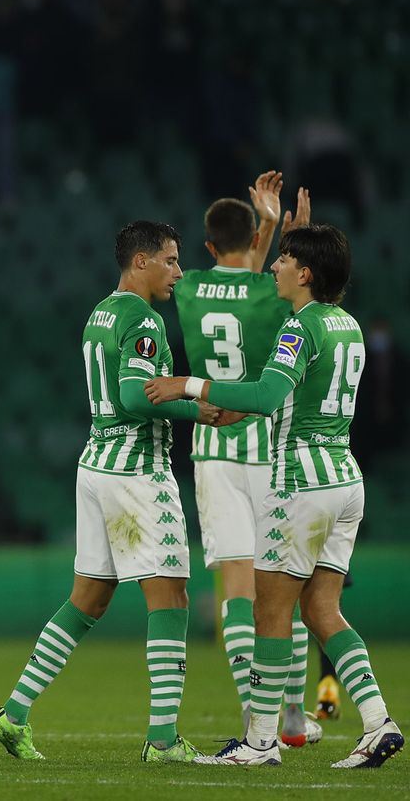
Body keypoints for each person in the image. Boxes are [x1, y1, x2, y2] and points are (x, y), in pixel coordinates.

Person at [147, 223, 403, 768]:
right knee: (322, 608)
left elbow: (266, 394)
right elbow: (284, 393)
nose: (275, 267)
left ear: (305, 274)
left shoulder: (300, 329)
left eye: (285, 259)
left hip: (302, 484)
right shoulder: (347, 325)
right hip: (345, 480)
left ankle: (260, 742)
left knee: (270, 611)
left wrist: (187, 384)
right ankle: (379, 722)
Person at [0, 221, 235, 764]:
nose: (178, 271)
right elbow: (132, 397)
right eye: (169, 260)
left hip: (97, 466)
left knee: (88, 598)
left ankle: (14, 713)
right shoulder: (143, 321)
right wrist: (199, 408)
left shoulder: (101, 312)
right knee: (170, 595)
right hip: (137, 473)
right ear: (140, 261)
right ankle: (163, 741)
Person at [173, 173, 321, 746]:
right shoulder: (269, 292)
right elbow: (265, 276)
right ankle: (290, 713)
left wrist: (265, 226)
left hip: (213, 452)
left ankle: (252, 716)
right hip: (271, 448)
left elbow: (234, 275)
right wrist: (286, 226)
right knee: (280, 586)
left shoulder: (186, 290)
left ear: (208, 247)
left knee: (235, 585)